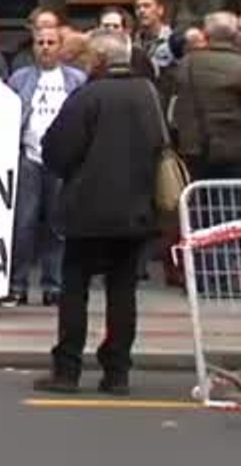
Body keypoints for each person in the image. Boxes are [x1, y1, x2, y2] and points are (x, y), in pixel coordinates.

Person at [34, 31, 163, 395]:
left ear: (100, 60)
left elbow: (56, 150)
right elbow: (162, 145)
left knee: (74, 288)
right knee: (123, 290)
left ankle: (67, 369)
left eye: (89, 55)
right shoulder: (148, 95)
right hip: (135, 209)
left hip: (87, 209)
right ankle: (117, 371)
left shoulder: (87, 96)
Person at [0, 27, 86, 308]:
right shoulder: (19, 79)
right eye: (40, 43)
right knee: (22, 224)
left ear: (61, 46)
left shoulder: (76, 80)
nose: (45, 47)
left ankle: (54, 286)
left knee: (57, 225)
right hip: (28, 157)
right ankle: (17, 285)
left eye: (51, 43)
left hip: (62, 160)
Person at [172, 11, 241, 180]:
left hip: (195, 152)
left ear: (205, 33)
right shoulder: (238, 64)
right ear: (235, 34)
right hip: (234, 153)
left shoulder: (186, 63)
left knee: (201, 203)